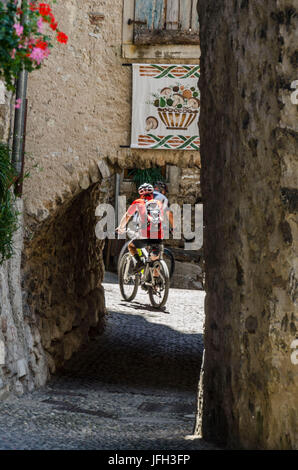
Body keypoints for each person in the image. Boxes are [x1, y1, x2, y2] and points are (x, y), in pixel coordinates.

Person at [116, 183, 166, 274]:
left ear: (140, 193)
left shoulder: (138, 202)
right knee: (155, 259)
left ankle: (139, 263)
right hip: (159, 235)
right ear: (152, 193)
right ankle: (156, 282)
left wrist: (121, 227)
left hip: (144, 235)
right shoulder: (159, 203)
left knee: (131, 246)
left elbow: (127, 216)